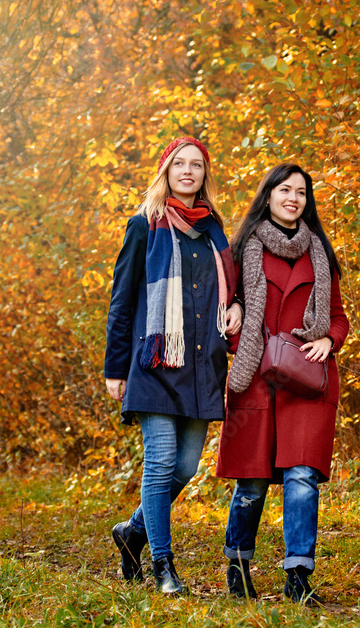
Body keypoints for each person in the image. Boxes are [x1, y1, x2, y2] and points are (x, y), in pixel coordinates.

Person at [104, 136, 242, 595]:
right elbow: (122, 301)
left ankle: (132, 533)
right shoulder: (144, 225)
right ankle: (164, 565)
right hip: (156, 362)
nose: (188, 171)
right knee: (160, 464)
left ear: (205, 175)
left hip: (203, 366)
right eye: (179, 164)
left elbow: (227, 289)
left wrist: (238, 306)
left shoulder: (214, 230)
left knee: (184, 468)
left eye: (196, 165)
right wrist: (115, 368)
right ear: (165, 171)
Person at [216, 163, 349, 604]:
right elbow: (226, 309)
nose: (293, 198)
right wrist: (238, 328)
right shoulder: (242, 251)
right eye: (284, 190)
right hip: (255, 377)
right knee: (251, 482)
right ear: (268, 196)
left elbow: (338, 319)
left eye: (301, 192)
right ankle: (238, 565)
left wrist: (329, 340)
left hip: (307, 381)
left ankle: (298, 575)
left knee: (301, 477)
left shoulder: (321, 256)